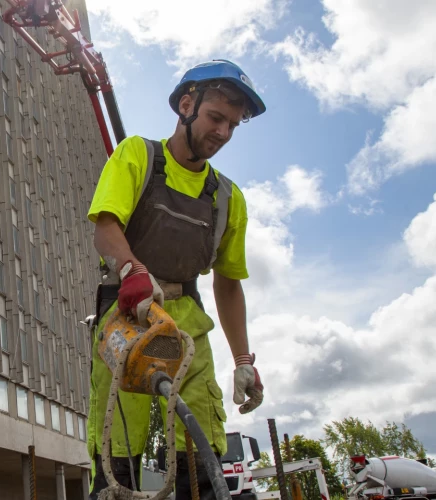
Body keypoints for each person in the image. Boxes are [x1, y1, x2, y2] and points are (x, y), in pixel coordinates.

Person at [85, 59, 265, 499]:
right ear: (187, 105)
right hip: (130, 314)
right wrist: (132, 269)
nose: (223, 132)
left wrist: (243, 362)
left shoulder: (227, 198)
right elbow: (105, 224)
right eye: (215, 118)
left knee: (201, 442)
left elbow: (228, 282)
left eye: (233, 125)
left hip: (186, 324)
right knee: (117, 449)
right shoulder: (138, 155)